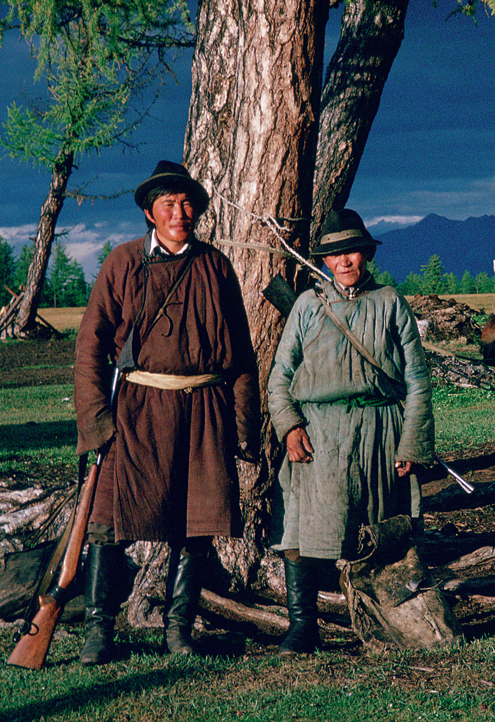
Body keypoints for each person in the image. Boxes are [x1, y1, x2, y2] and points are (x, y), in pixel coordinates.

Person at [73, 160, 259, 665]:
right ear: (150, 213)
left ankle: (178, 631)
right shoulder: (123, 262)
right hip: (134, 414)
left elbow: (241, 358)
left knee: (197, 523)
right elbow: (90, 346)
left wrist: (244, 427)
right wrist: (96, 421)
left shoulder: (216, 266)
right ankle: (99, 631)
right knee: (106, 522)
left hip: (204, 414)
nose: (180, 212)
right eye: (168, 204)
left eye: (186, 203)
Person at [267, 208, 434, 655]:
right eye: (336, 254)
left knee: (383, 531)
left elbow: (417, 380)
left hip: (381, 432)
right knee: (301, 528)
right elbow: (280, 377)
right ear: (324, 261)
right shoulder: (307, 306)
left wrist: (411, 442)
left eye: (353, 251)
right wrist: (289, 427)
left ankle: (390, 623)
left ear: (366, 255)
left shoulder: (390, 302)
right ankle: (303, 627)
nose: (345, 261)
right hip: (319, 435)